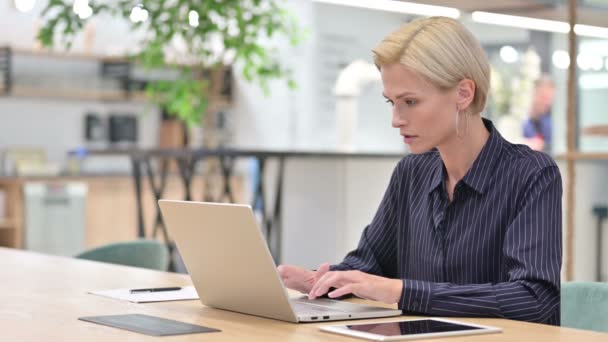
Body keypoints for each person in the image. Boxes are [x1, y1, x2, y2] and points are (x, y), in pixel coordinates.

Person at [278, 16, 562, 326]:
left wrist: (403, 291)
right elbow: (371, 264)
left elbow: (534, 299)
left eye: (410, 101)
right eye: (392, 103)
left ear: (464, 93)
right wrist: (328, 281)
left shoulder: (532, 174)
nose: (396, 120)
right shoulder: (411, 173)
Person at [523, 75, 555, 152]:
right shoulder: (520, 122)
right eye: (544, 97)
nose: (547, 102)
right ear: (534, 94)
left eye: (550, 99)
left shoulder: (548, 124)